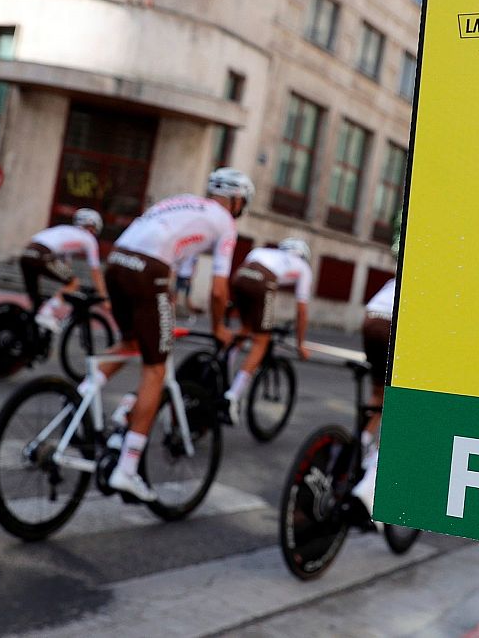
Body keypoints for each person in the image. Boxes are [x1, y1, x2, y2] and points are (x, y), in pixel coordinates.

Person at [89, 167, 251, 503]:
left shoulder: (182, 203)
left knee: (132, 342)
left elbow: (177, 259)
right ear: (236, 200)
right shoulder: (225, 222)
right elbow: (220, 291)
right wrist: (219, 328)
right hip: (149, 269)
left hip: (118, 261)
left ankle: (81, 397)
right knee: (156, 369)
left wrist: (177, 301)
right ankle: (128, 469)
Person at [220, 237, 314, 422]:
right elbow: (301, 311)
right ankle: (232, 396)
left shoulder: (263, 251)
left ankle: (221, 373)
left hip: (241, 277)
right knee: (261, 340)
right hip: (264, 281)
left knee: (245, 328)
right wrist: (300, 343)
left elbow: (248, 281)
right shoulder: (303, 267)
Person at [351, 274, 397, 515]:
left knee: (379, 392)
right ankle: (370, 484)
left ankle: (360, 442)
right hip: (394, 324)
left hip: (371, 320)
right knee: (404, 405)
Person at [20, 208, 107, 330]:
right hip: (43, 254)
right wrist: (104, 297)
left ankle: (29, 330)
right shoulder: (89, 239)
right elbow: (96, 271)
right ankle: (47, 312)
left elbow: (66, 267)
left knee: (35, 300)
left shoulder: (65, 230)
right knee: (74, 282)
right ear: (93, 226)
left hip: (27, 253)